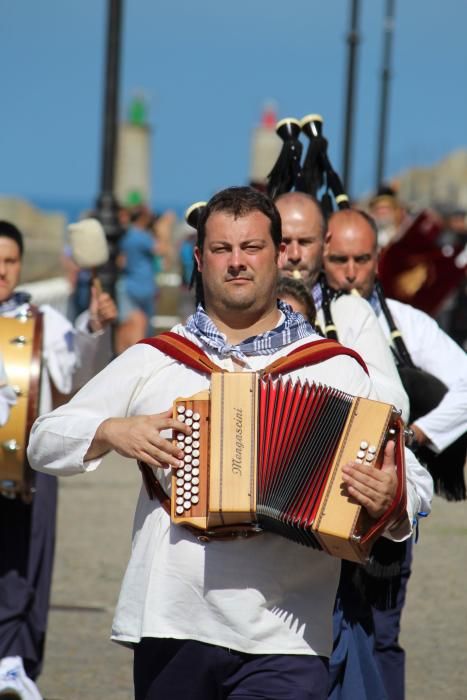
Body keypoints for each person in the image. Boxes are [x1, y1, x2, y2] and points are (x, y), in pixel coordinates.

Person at [28, 187, 432, 700]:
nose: (237, 263)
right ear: (199, 259)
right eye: (221, 250)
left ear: (280, 253)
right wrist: (113, 432)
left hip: (289, 635)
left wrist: (391, 497)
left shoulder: (334, 367)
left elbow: (412, 478)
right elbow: (43, 439)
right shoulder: (158, 358)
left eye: (252, 248)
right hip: (173, 622)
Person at [323, 207, 467, 700]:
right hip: (319, 494)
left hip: (388, 498)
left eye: (361, 259)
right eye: (338, 258)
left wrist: (420, 435)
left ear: (377, 259)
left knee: (381, 631)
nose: (349, 272)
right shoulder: (305, 319)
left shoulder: (404, 322)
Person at [0, 220, 117, 700]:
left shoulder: (43, 322)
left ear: (21, 266)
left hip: (27, 467)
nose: (1, 271)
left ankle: (12, 662)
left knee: (25, 561)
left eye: (9, 262)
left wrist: (93, 326)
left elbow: (79, 372)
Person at [275, 191, 410, 421]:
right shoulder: (242, 314)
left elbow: (396, 406)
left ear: (325, 245)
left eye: (305, 242)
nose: (295, 255)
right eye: (284, 243)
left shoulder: (352, 311)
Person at [115, 205, 159, 354]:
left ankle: (122, 359)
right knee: (141, 327)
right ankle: (138, 359)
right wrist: (162, 229)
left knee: (126, 326)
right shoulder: (142, 236)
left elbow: (121, 261)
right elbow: (162, 250)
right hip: (143, 287)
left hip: (128, 286)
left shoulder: (126, 236)